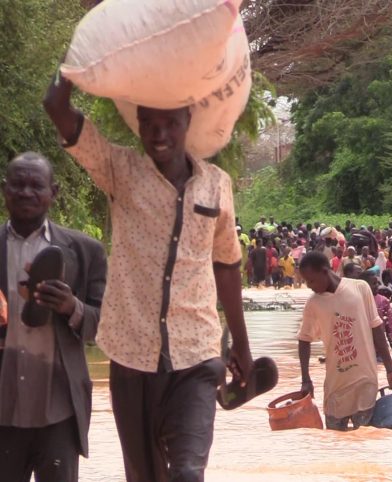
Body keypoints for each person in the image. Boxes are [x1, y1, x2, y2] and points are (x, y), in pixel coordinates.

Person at [45, 69, 254, 482]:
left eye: (170, 124)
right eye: (149, 124)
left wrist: (242, 345)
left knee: (188, 472)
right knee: (144, 476)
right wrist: (75, 61)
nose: (159, 134)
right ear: (137, 123)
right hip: (130, 356)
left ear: (187, 123)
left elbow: (227, 264)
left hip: (197, 353)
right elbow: (56, 106)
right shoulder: (118, 169)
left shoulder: (216, 186)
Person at [0, 153, 107, 482]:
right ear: (5, 189)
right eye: (18, 184)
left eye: (36, 185)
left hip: (59, 411)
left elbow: (107, 326)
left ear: (54, 192)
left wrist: (70, 307)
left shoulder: (86, 251)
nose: (26, 192)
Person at [297, 252, 392, 431]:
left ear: (325, 271)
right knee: (335, 442)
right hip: (335, 386)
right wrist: (306, 379)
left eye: (311, 281)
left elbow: (377, 329)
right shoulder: (314, 303)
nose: (309, 286)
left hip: (365, 381)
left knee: (364, 438)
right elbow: (304, 340)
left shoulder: (360, 288)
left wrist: (390, 369)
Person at [360, 271, 392, 363]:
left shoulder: (383, 301)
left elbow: (390, 328)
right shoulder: (356, 301)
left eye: (377, 283)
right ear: (364, 286)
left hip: (379, 352)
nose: (377, 286)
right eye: (374, 283)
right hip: (361, 352)